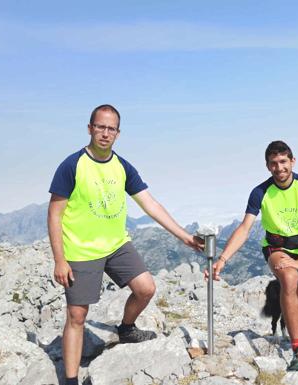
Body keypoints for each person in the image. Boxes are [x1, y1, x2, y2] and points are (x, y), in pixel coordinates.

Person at [48, 104, 203, 385]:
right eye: (100, 127)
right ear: (90, 129)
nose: (105, 133)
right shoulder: (72, 165)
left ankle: (127, 329)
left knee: (146, 288)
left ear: (118, 133)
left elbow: (150, 204)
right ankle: (70, 380)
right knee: (77, 316)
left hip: (117, 245)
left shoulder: (122, 166)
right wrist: (60, 259)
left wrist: (184, 236)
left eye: (111, 129)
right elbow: (55, 214)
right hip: (81, 250)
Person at [206, 140, 298, 371]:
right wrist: (222, 259)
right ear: (267, 166)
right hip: (276, 247)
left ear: (292, 161)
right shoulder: (260, 191)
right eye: (274, 163)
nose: (279, 168)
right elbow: (244, 228)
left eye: (283, 162)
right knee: (289, 279)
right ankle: (297, 349)